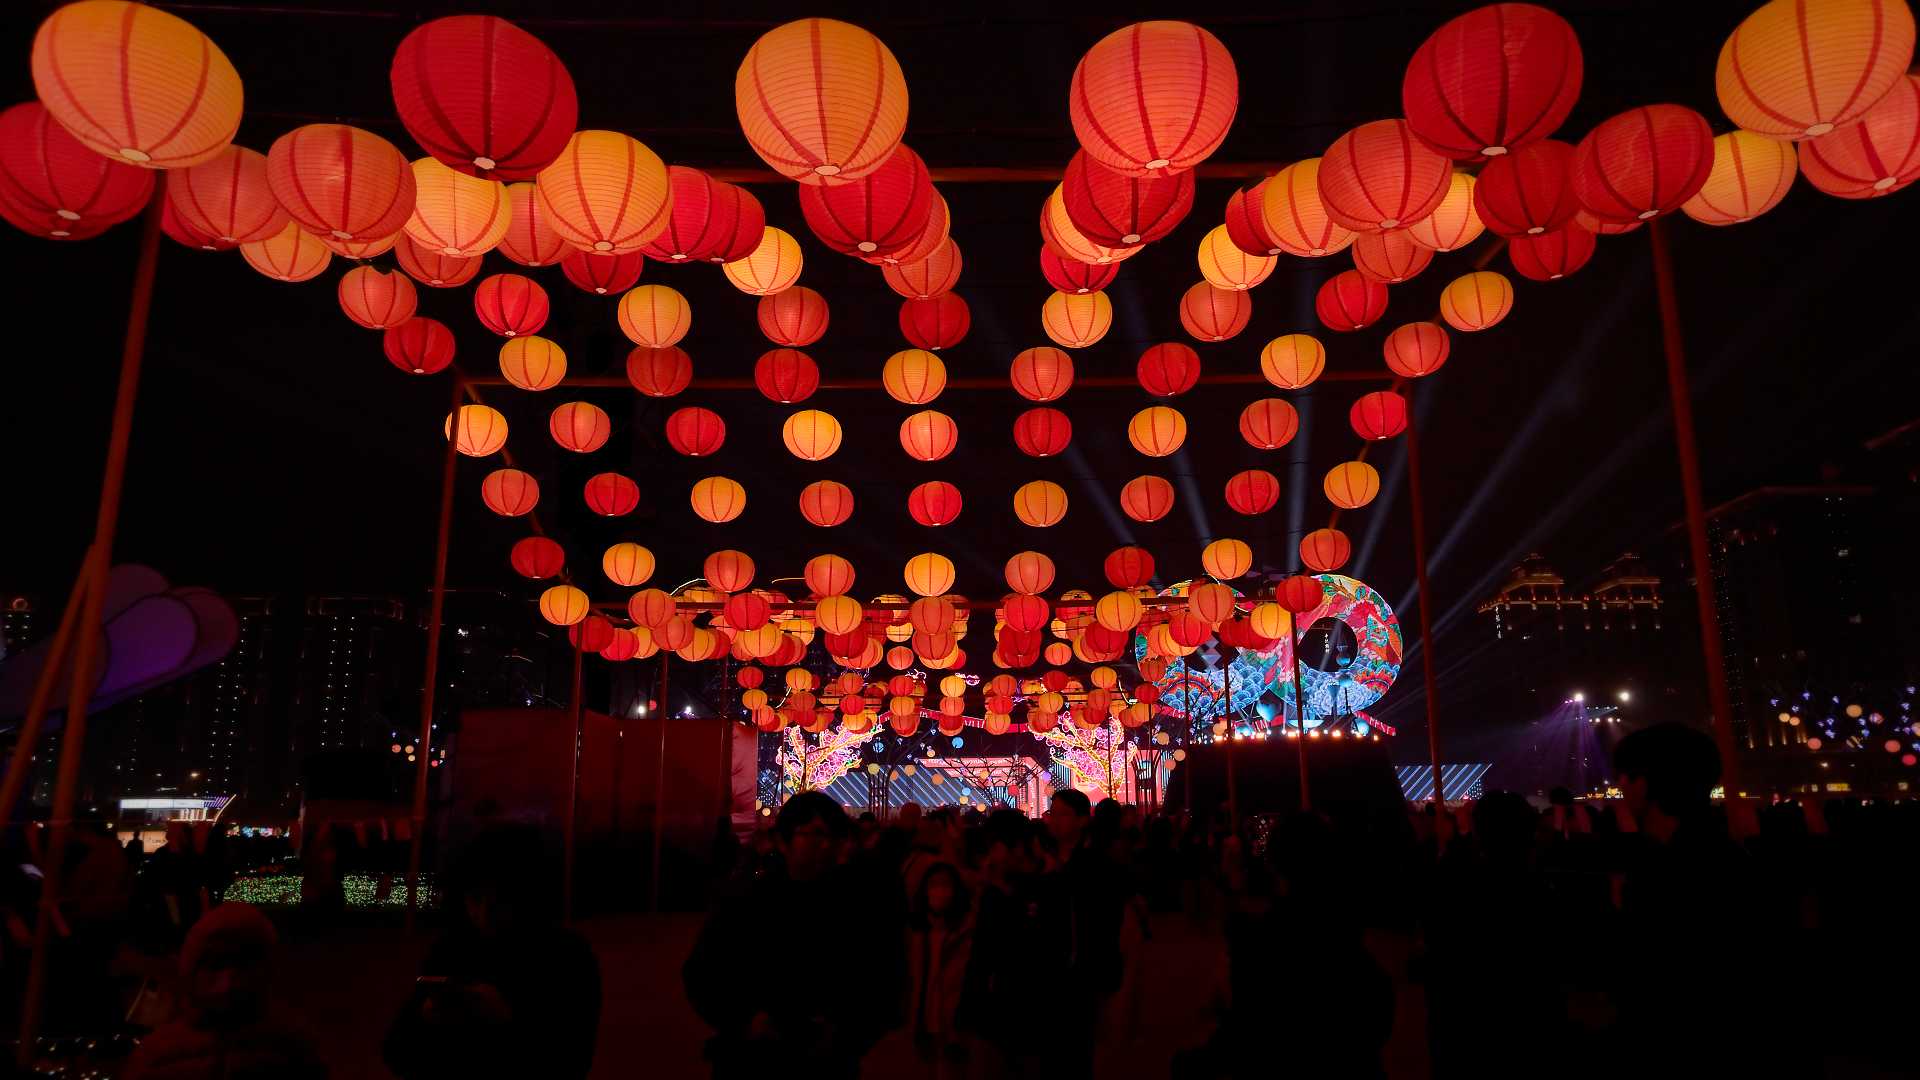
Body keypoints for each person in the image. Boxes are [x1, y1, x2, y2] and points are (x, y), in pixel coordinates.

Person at [1606, 722, 1807, 1073]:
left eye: (1623, 777)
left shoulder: (1667, 875)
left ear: (1642, 783)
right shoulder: (1739, 862)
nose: (1620, 788)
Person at [684, 793, 902, 1078]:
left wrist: (848, 1034)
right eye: (814, 834)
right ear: (783, 842)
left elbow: (884, 981)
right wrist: (745, 1020)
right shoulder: (746, 902)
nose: (826, 844)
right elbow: (703, 972)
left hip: (829, 1061)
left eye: (835, 835)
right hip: (751, 1058)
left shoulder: (858, 907)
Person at [383, 824, 601, 1080]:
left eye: (498, 902)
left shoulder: (567, 957)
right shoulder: (453, 947)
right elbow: (395, 1050)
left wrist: (508, 1021)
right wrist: (425, 1018)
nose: (484, 914)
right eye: (475, 899)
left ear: (525, 898)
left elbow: (571, 1061)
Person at [123, 902, 325, 1079]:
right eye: (215, 965)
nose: (229, 980)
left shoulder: (294, 1048)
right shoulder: (155, 1057)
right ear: (191, 970)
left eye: (243, 964)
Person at [904, 862, 975, 1079]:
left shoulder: (966, 932)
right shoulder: (915, 933)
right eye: (934, 885)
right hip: (922, 1021)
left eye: (945, 884)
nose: (939, 891)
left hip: (955, 1024)